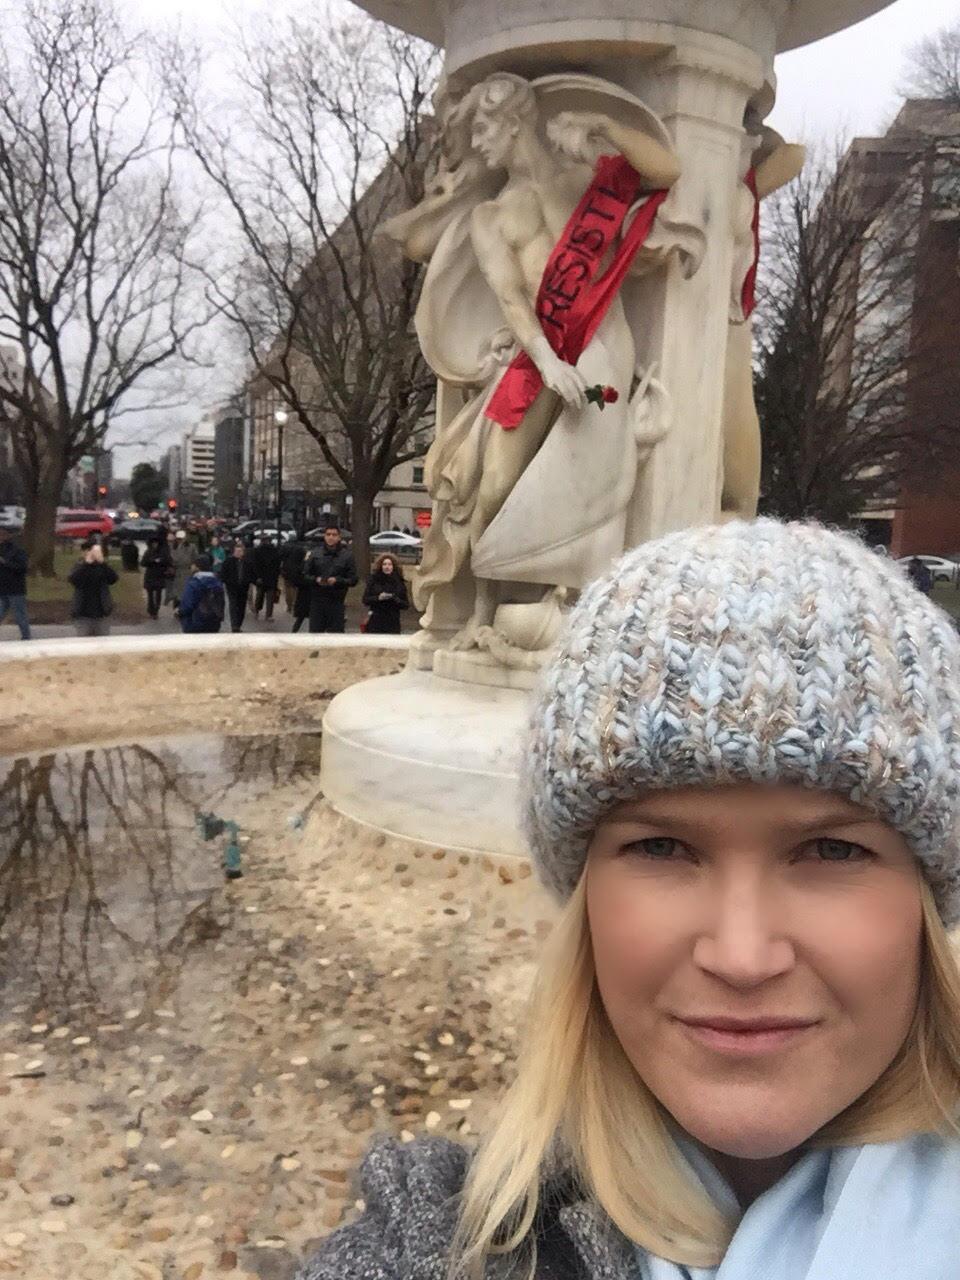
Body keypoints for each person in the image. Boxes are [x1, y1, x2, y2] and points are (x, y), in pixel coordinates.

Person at [298, 520, 960, 1280]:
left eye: (833, 850)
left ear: (925, 901)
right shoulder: (442, 1244)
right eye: (661, 848)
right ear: (584, 899)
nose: (741, 958)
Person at [305, 526, 358, 634]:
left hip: (336, 601)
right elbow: (305, 575)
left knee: (336, 636)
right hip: (317, 601)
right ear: (324, 537)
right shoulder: (315, 554)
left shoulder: (347, 556)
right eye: (328, 534)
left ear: (339, 537)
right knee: (315, 635)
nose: (331, 537)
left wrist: (338, 581)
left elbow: (353, 579)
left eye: (334, 535)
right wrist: (316, 579)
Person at [68, 539, 118, 637]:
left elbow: (113, 579)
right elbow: (74, 580)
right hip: (83, 613)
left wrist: (103, 563)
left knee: (103, 644)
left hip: (102, 612)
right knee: (84, 644)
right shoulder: (79, 566)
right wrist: (87, 564)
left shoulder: (102, 567)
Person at [177, 553, 225, 634]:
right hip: (214, 623)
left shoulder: (194, 583)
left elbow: (188, 604)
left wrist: (179, 612)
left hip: (194, 623)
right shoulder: (217, 583)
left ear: (197, 567)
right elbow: (221, 603)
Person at [362, 554, 409, 634]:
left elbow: (405, 605)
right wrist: (378, 598)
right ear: (380, 566)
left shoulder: (399, 583)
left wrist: (394, 599)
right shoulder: (373, 580)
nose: (387, 567)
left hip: (393, 620)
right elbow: (365, 600)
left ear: (393, 566)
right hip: (376, 619)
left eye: (390, 564)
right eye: (384, 564)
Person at [0, 525, 31, 641]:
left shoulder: (16, 550)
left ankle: (26, 636)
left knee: (19, 614)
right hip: (2, 586)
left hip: (15, 587)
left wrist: (5, 562)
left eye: (2, 534)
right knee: (1, 611)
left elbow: (22, 567)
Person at [219, 541, 253, 634]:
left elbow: (251, 573)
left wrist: (249, 581)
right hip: (232, 587)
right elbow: (223, 573)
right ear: (234, 552)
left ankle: (238, 624)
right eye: (236, 551)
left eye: (240, 551)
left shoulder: (247, 562)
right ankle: (234, 625)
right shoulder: (228, 561)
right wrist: (225, 581)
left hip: (243, 587)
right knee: (233, 605)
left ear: (243, 552)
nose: (238, 553)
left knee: (241, 606)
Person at [250, 535, 282, 622]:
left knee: (259, 596)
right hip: (271, 577)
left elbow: (255, 565)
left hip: (262, 577)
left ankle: (257, 611)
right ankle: (268, 615)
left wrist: (257, 576)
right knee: (270, 597)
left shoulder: (257, 551)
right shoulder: (275, 551)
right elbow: (278, 564)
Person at [141, 532, 173, 619]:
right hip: (150, 575)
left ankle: (156, 610)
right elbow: (143, 563)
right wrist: (152, 561)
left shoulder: (163, 552)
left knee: (158, 595)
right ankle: (151, 609)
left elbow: (168, 562)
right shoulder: (148, 552)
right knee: (150, 595)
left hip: (159, 575)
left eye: (156, 543)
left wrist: (161, 561)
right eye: (153, 543)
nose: (155, 544)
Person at [166, 530, 193, 613]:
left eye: (181, 538)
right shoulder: (172, 547)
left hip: (186, 572)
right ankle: (176, 609)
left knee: (184, 592)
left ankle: (182, 609)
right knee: (175, 593)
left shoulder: (191, 547)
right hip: (175, 572)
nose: (180, 540)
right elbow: (169, 558)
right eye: (178, 539)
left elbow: (195, 558)